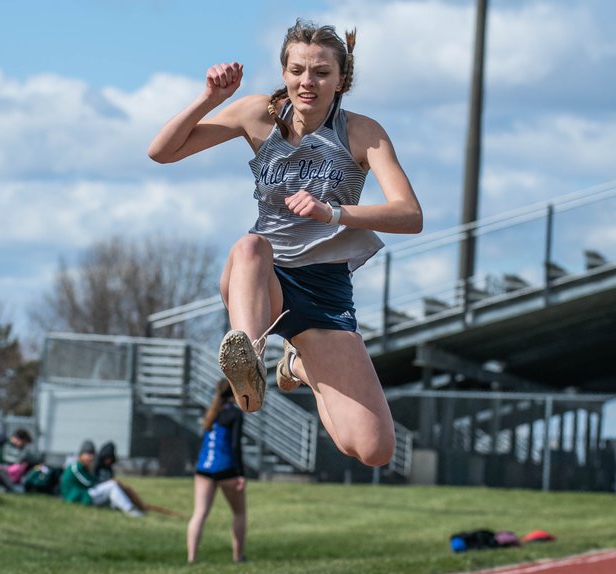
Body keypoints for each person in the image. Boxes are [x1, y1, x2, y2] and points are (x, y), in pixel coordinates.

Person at [148, 19, 422, 468]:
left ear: (341, 79)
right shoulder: (258, 114)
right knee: (250, 247)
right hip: (262, 281)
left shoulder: (362, 132)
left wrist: (331, 212)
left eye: (320, 73)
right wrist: (211, 99)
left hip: (324, 287)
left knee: (373, 450)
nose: (306, 82)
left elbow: (410, 215)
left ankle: (296, 366)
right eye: (297, 71)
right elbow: (162, 151)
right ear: (283, 71)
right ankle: (249, 360)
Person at [186, 380, 247, 563]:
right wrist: (241, 473)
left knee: (199, 514)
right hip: (227, 469)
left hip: (204, 469)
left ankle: (192, 558)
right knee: (239, 513)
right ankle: (238, 557)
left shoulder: (210, 413)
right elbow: (235, 444)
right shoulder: (234, 414)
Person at [60, 440, 144, 517]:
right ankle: (129, 510)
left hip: (83, 495)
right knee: (112, 485)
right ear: (81, 454)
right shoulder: (75, 466)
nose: (91, 457)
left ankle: (128, 506)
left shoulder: (83, 466)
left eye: (92, 454)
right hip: (76, 498)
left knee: (113, 490)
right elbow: (88, 483)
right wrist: (106, 483)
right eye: (88, 454)